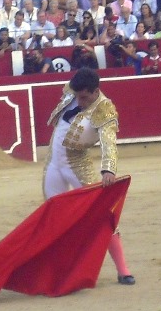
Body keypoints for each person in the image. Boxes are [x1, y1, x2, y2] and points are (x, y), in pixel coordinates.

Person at [43, 67, 135, 286]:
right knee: (52, 215)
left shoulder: (105, 108)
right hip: (53, 162)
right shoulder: (73, 90)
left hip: (78, 164)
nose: (79, 101)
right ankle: (56, 269)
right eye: (77, 96)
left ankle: (123, 269)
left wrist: (108, 169)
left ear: (95, 92)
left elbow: (109, 142)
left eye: (84, 97)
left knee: (104, 214)